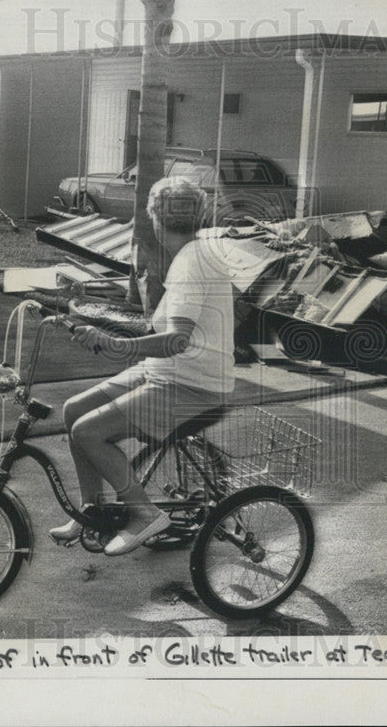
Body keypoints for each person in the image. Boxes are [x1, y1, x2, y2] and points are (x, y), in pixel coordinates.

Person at [50, 177, 235, 555]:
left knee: (88, 432)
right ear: (198, 216)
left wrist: (115, 343)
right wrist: (96, 314)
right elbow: (160, 328)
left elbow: (176, 340)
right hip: (169, 372)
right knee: (74, 410)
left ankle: (144, 514)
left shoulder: (190, 266)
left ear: (154, 218)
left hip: (193, 384)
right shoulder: (192, 254)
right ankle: (92, 511)